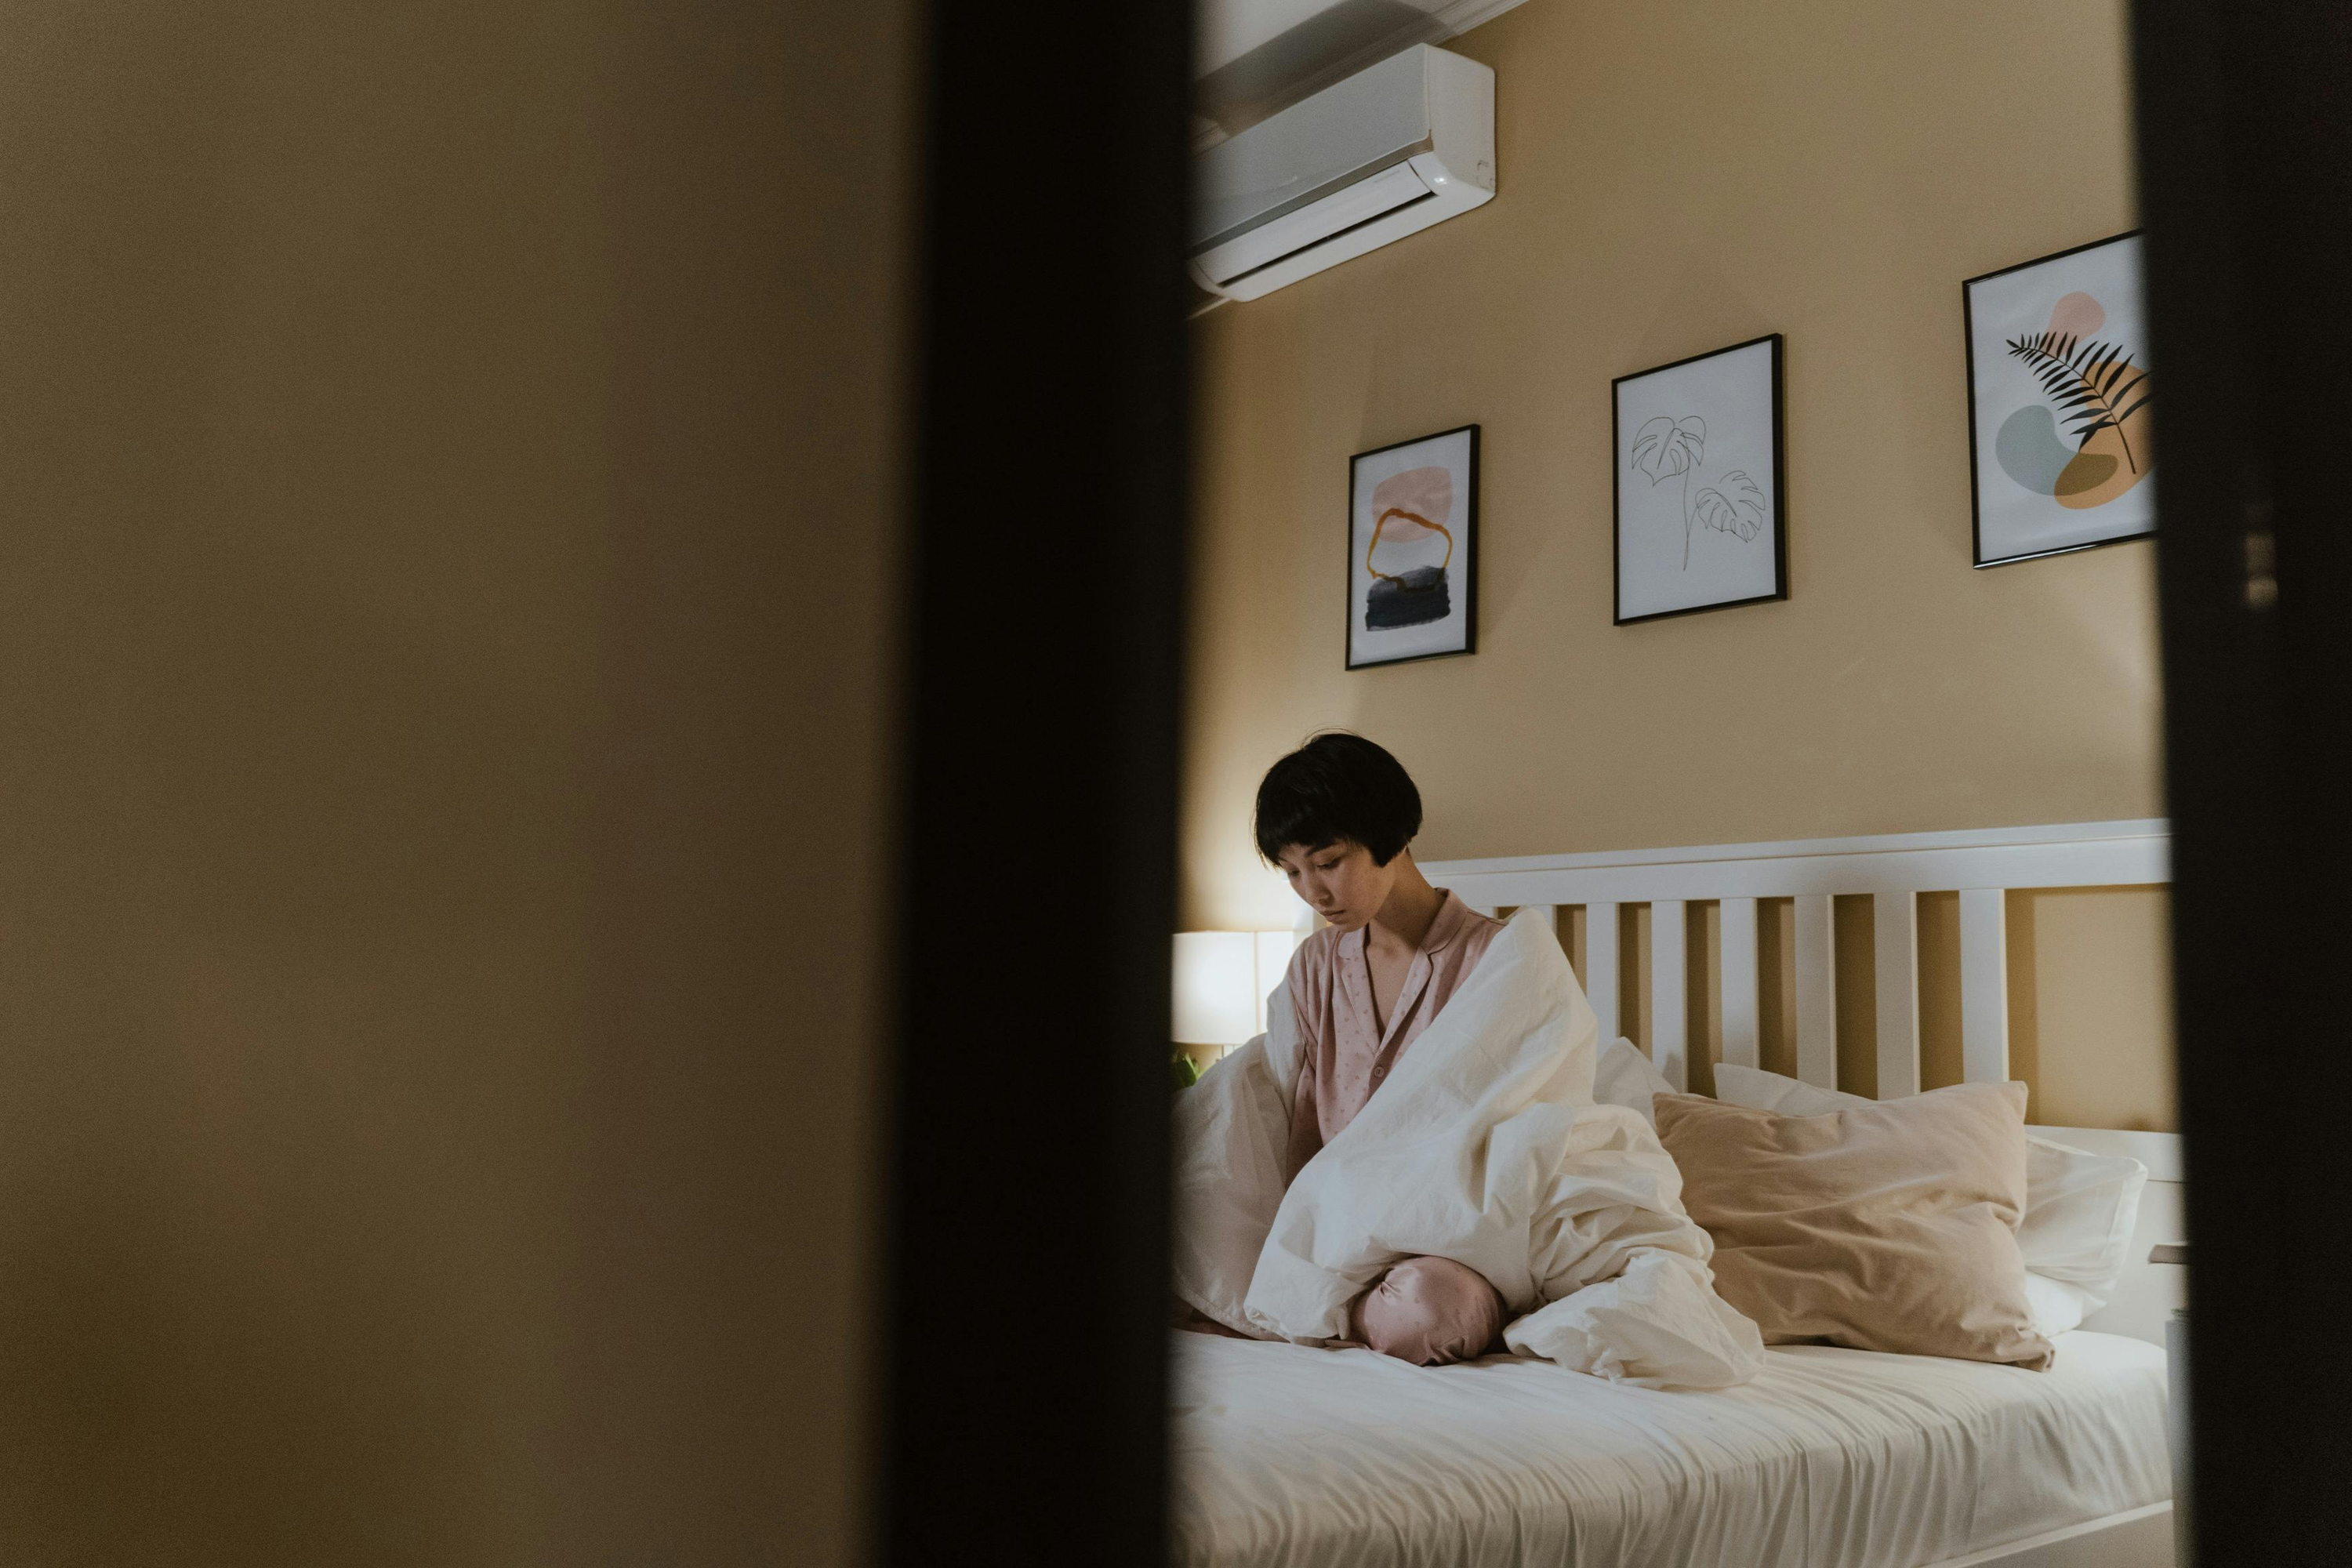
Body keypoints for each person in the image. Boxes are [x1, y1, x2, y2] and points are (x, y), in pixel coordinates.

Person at [1250, 731, 1508, 1366]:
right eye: (1292, 873)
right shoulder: (1314, 965)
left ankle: (1327, 1310)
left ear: (1389, 836)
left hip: (1453, 1237)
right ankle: (1325, 1300)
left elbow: (1521, 1121)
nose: (1314, 892)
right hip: (1341, 1226)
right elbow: (1303, 1119)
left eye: (1328, 861)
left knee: (1429, 1312)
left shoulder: (1498, 958)